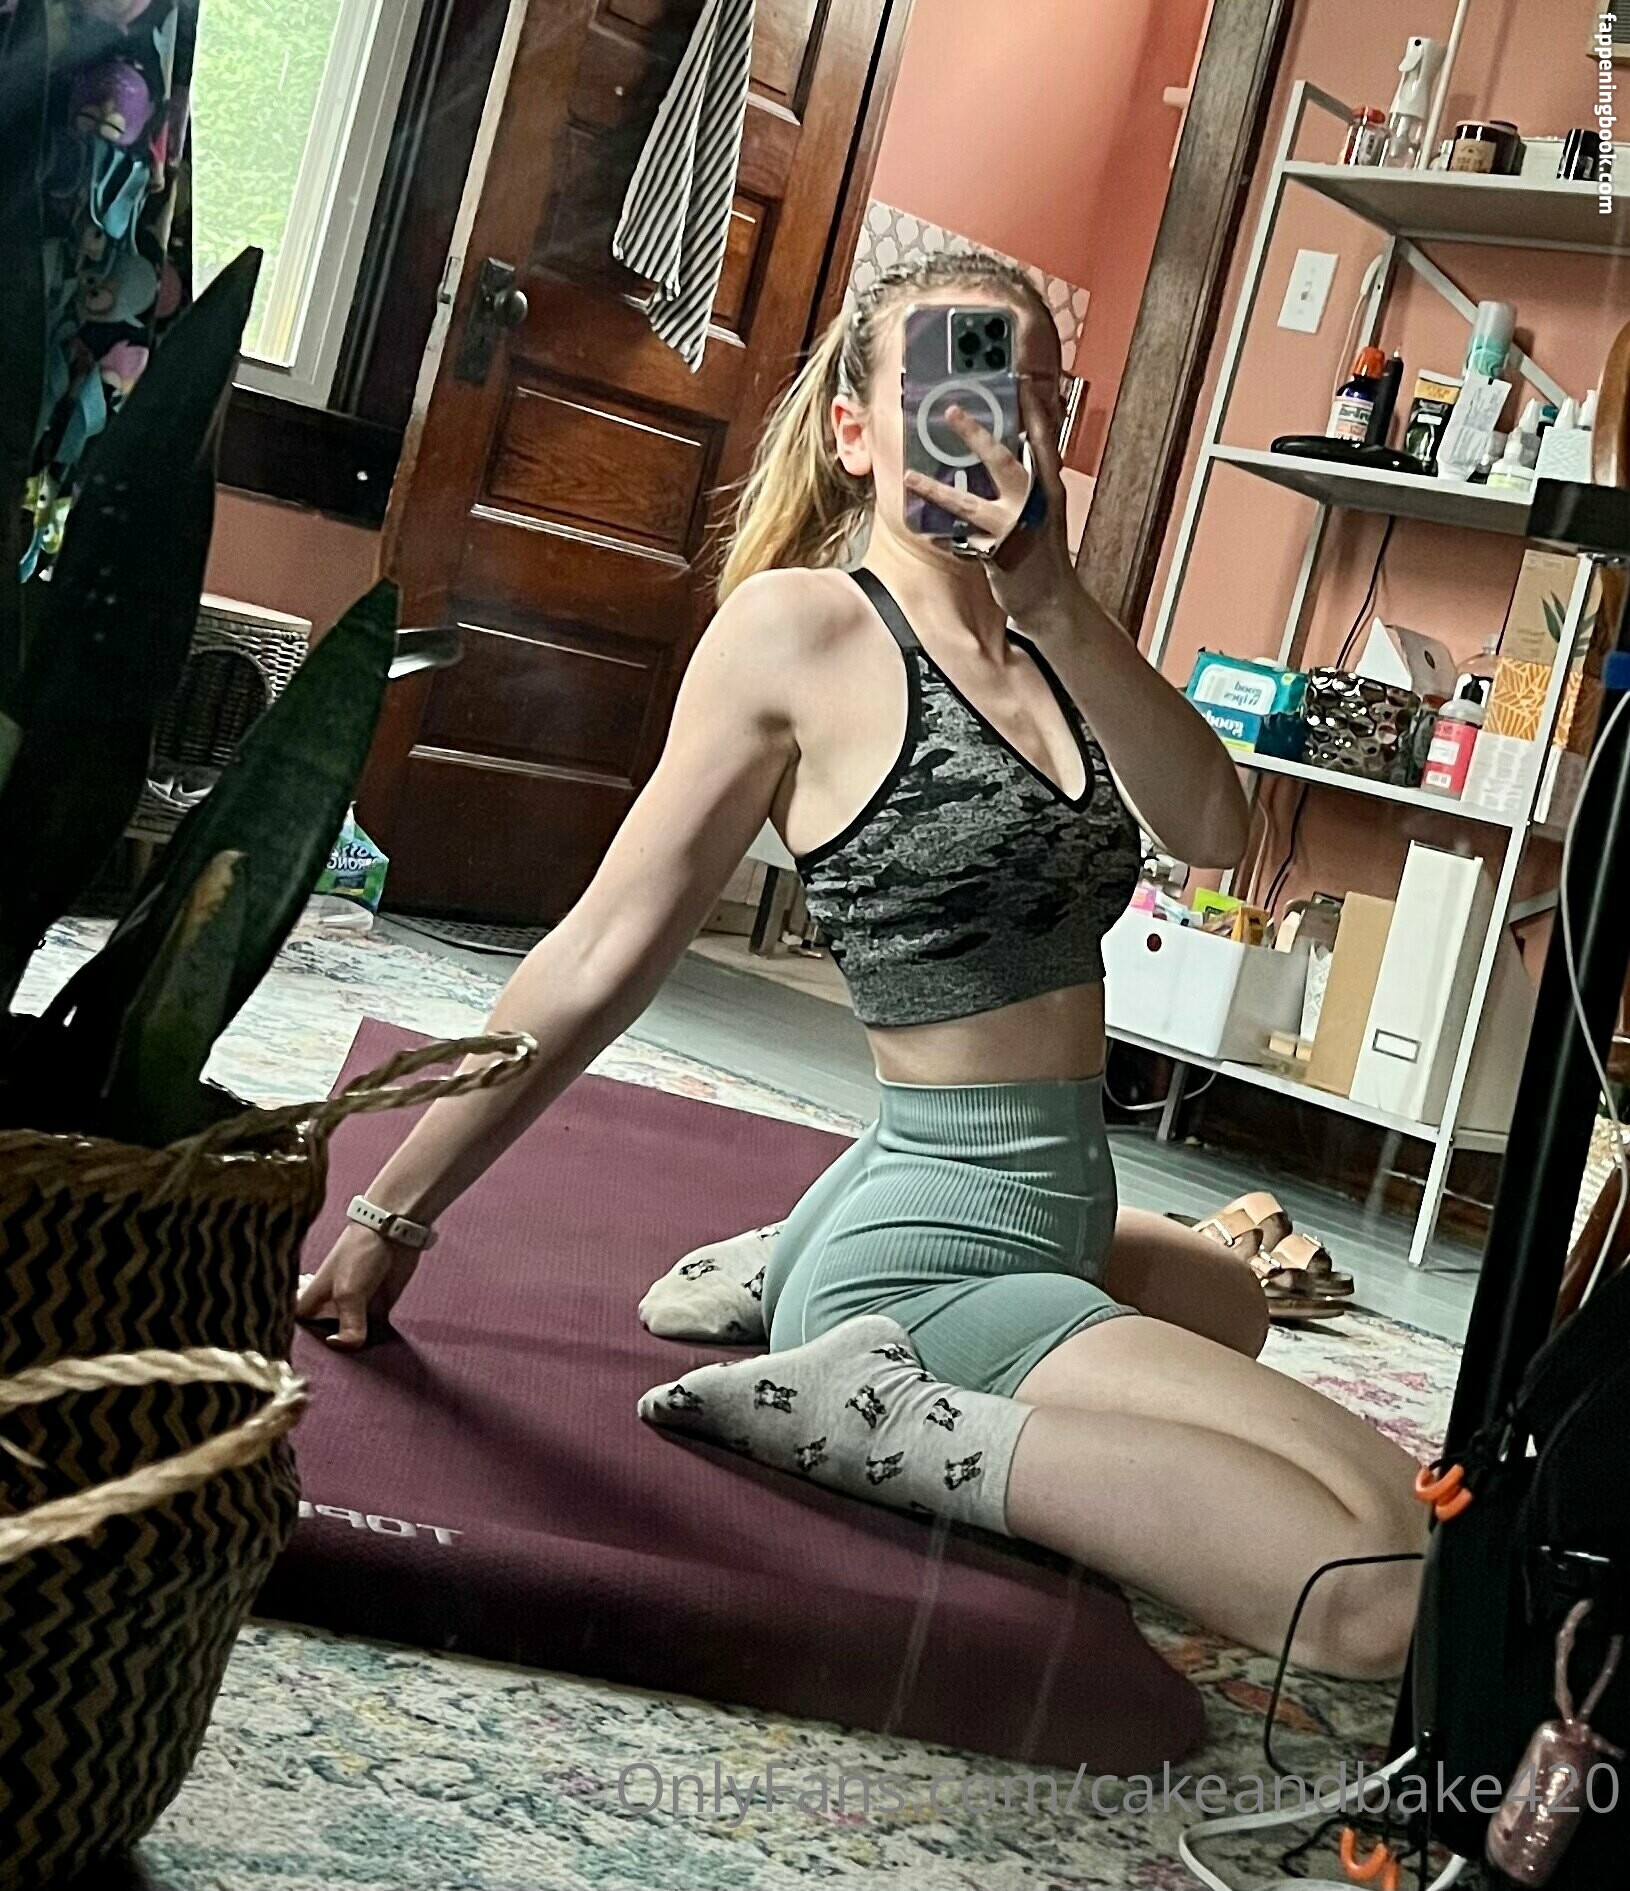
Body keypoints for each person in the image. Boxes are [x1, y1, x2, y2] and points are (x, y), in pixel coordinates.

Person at [298, 253, 1425, 1679]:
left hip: (1050, 1204)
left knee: (1231, 1304)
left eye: (1027, 391)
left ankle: (796, 1255)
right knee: (1379, 1585)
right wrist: (390, 1215)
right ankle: (855, 1401)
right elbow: (599, 952)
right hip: (942, 1247)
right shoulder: (800, 632)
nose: (989, 422)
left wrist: (1057, 601)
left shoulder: (1059, 645)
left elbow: (1216, 833)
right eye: (949, 389)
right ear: (852, 430)